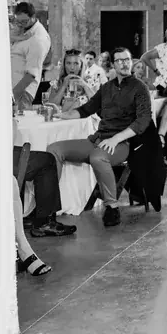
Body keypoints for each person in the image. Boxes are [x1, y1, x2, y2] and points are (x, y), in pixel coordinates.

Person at [50, 47, 153, 228]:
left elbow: (143, 121)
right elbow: (85, 110)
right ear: (113, 64)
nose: (124, 63)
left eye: (127, 60)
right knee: (55, 149)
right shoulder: (107, 87)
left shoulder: (140, 88)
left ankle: (112, 207)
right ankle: (48, 208)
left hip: (123, 143)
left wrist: (116, 139)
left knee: (98, 157)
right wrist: (61, 115)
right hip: (98, 139)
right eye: (119, 60)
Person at [10, 2, 51, 109]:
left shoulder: (38, 40)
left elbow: (32, 73)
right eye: (17, 21)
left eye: (24, 21)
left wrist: (13, 96)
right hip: (11, 87)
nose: (20, 25)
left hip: (21, 92)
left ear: (33, 17)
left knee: (20, 124)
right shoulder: (23, 28)